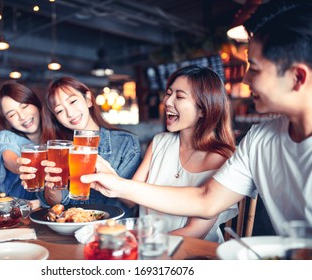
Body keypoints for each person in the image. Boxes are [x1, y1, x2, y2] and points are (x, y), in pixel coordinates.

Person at [82, 1, 312, 236]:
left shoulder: (234, 149)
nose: (244, 80)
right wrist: (116, 184)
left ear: (297, 77)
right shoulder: (260, 138)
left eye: (254, 68)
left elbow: (198, 225)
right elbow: (206, 200)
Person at [127, 65, 237, 242]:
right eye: (169, 93)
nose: (168, 102)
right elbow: (129, 198)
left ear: (203, 109)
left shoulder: (220, 159)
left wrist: (141, 243)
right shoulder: (159, 142)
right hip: (146, 250)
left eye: (179, 96)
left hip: (193, 255)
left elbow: (195, 232)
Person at [22, 76, 141, 217]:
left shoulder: (126, 142)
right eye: (60, 111)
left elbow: (131, 202)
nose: (70, 113)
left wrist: (107, 177)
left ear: (88, 99)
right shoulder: (58, 150)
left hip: (112, 229)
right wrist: (52, 188)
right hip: (72, 230)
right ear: (56, 119)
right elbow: (55, 203)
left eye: (73, 101)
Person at [0, 80, 42, 200]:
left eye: (24, 106)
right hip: (4, 205)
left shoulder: (56, 141)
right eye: (12, 114)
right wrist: (20, 166)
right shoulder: (5, 136)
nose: (22, 117)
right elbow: (9, 159)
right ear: (7, 121)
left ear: (36, 104)